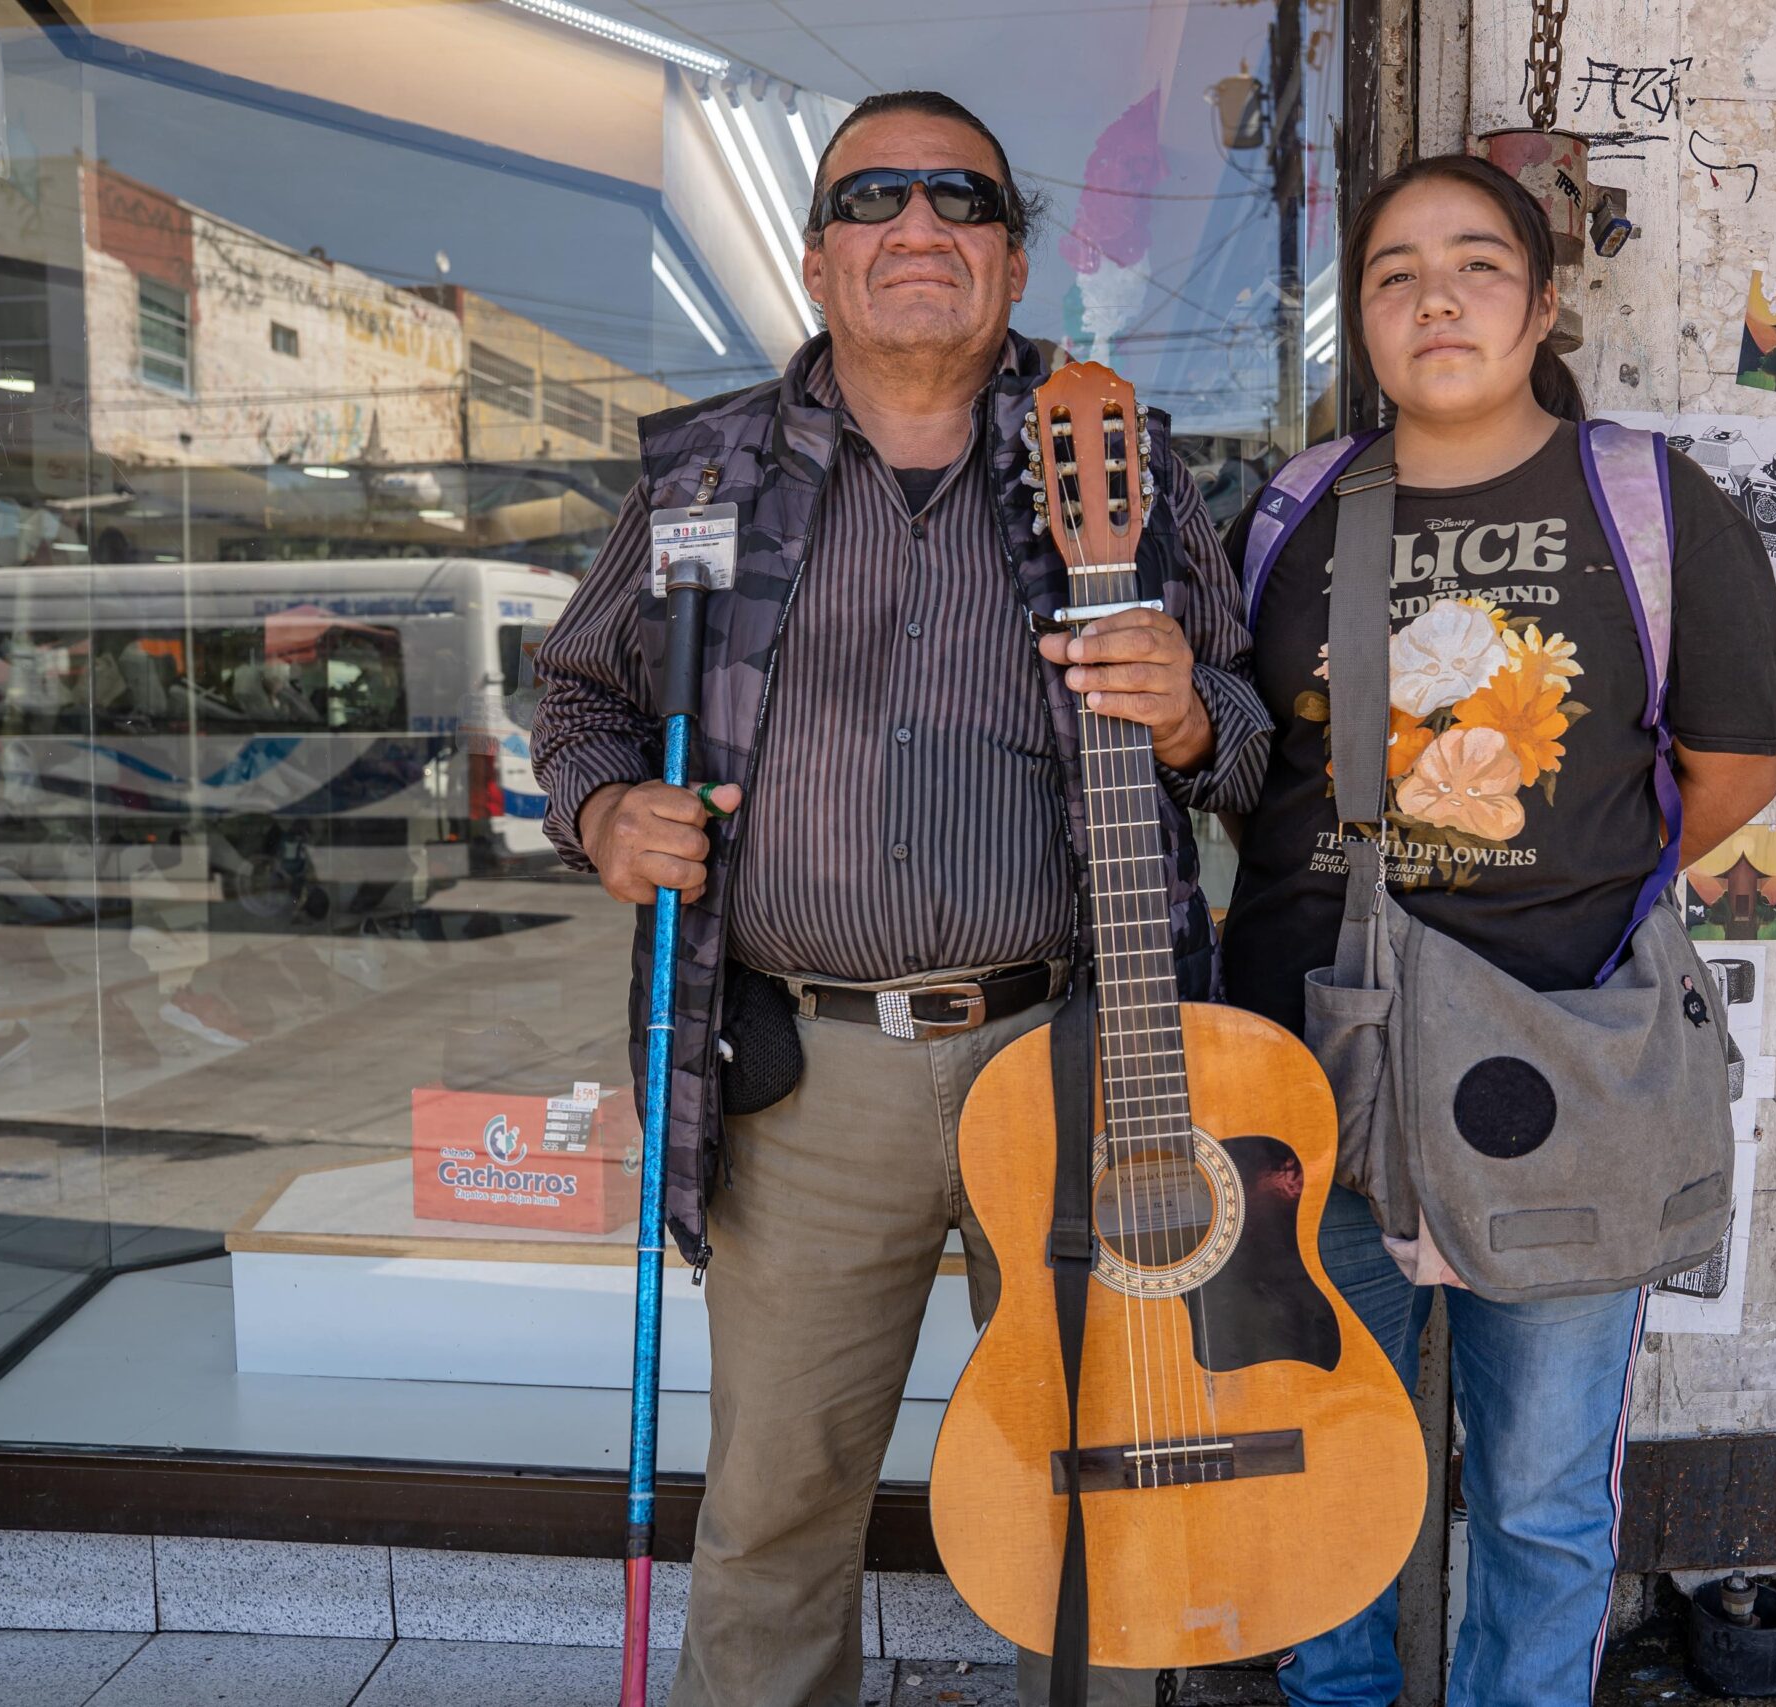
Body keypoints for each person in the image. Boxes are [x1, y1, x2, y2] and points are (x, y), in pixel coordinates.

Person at [528, 90, 1268, 1707]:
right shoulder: (705, 474)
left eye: (960, 197)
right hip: (805, 1079)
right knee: (779, 1496)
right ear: (816, 260)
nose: (918, 225)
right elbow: (578, 691)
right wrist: (600, 810)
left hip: (1076, 1058)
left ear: (1013, 256)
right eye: (873, 198)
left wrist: (1192, 715)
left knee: (1097, 1475)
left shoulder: (1123, 460)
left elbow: (1253, 739)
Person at [1219, 153, 1776, 1706]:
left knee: (1538, 1493)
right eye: (1395, 273)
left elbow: (1730, 774)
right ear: (1361, 320)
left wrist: (1552, 901)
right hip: (1308, 1069)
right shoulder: (1293, 513)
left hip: (1562, 1072)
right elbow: (1244, 767)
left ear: (1541, 305)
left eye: (1477, 263)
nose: (1437, 298)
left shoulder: (1650, 503)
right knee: (1317, 1455)